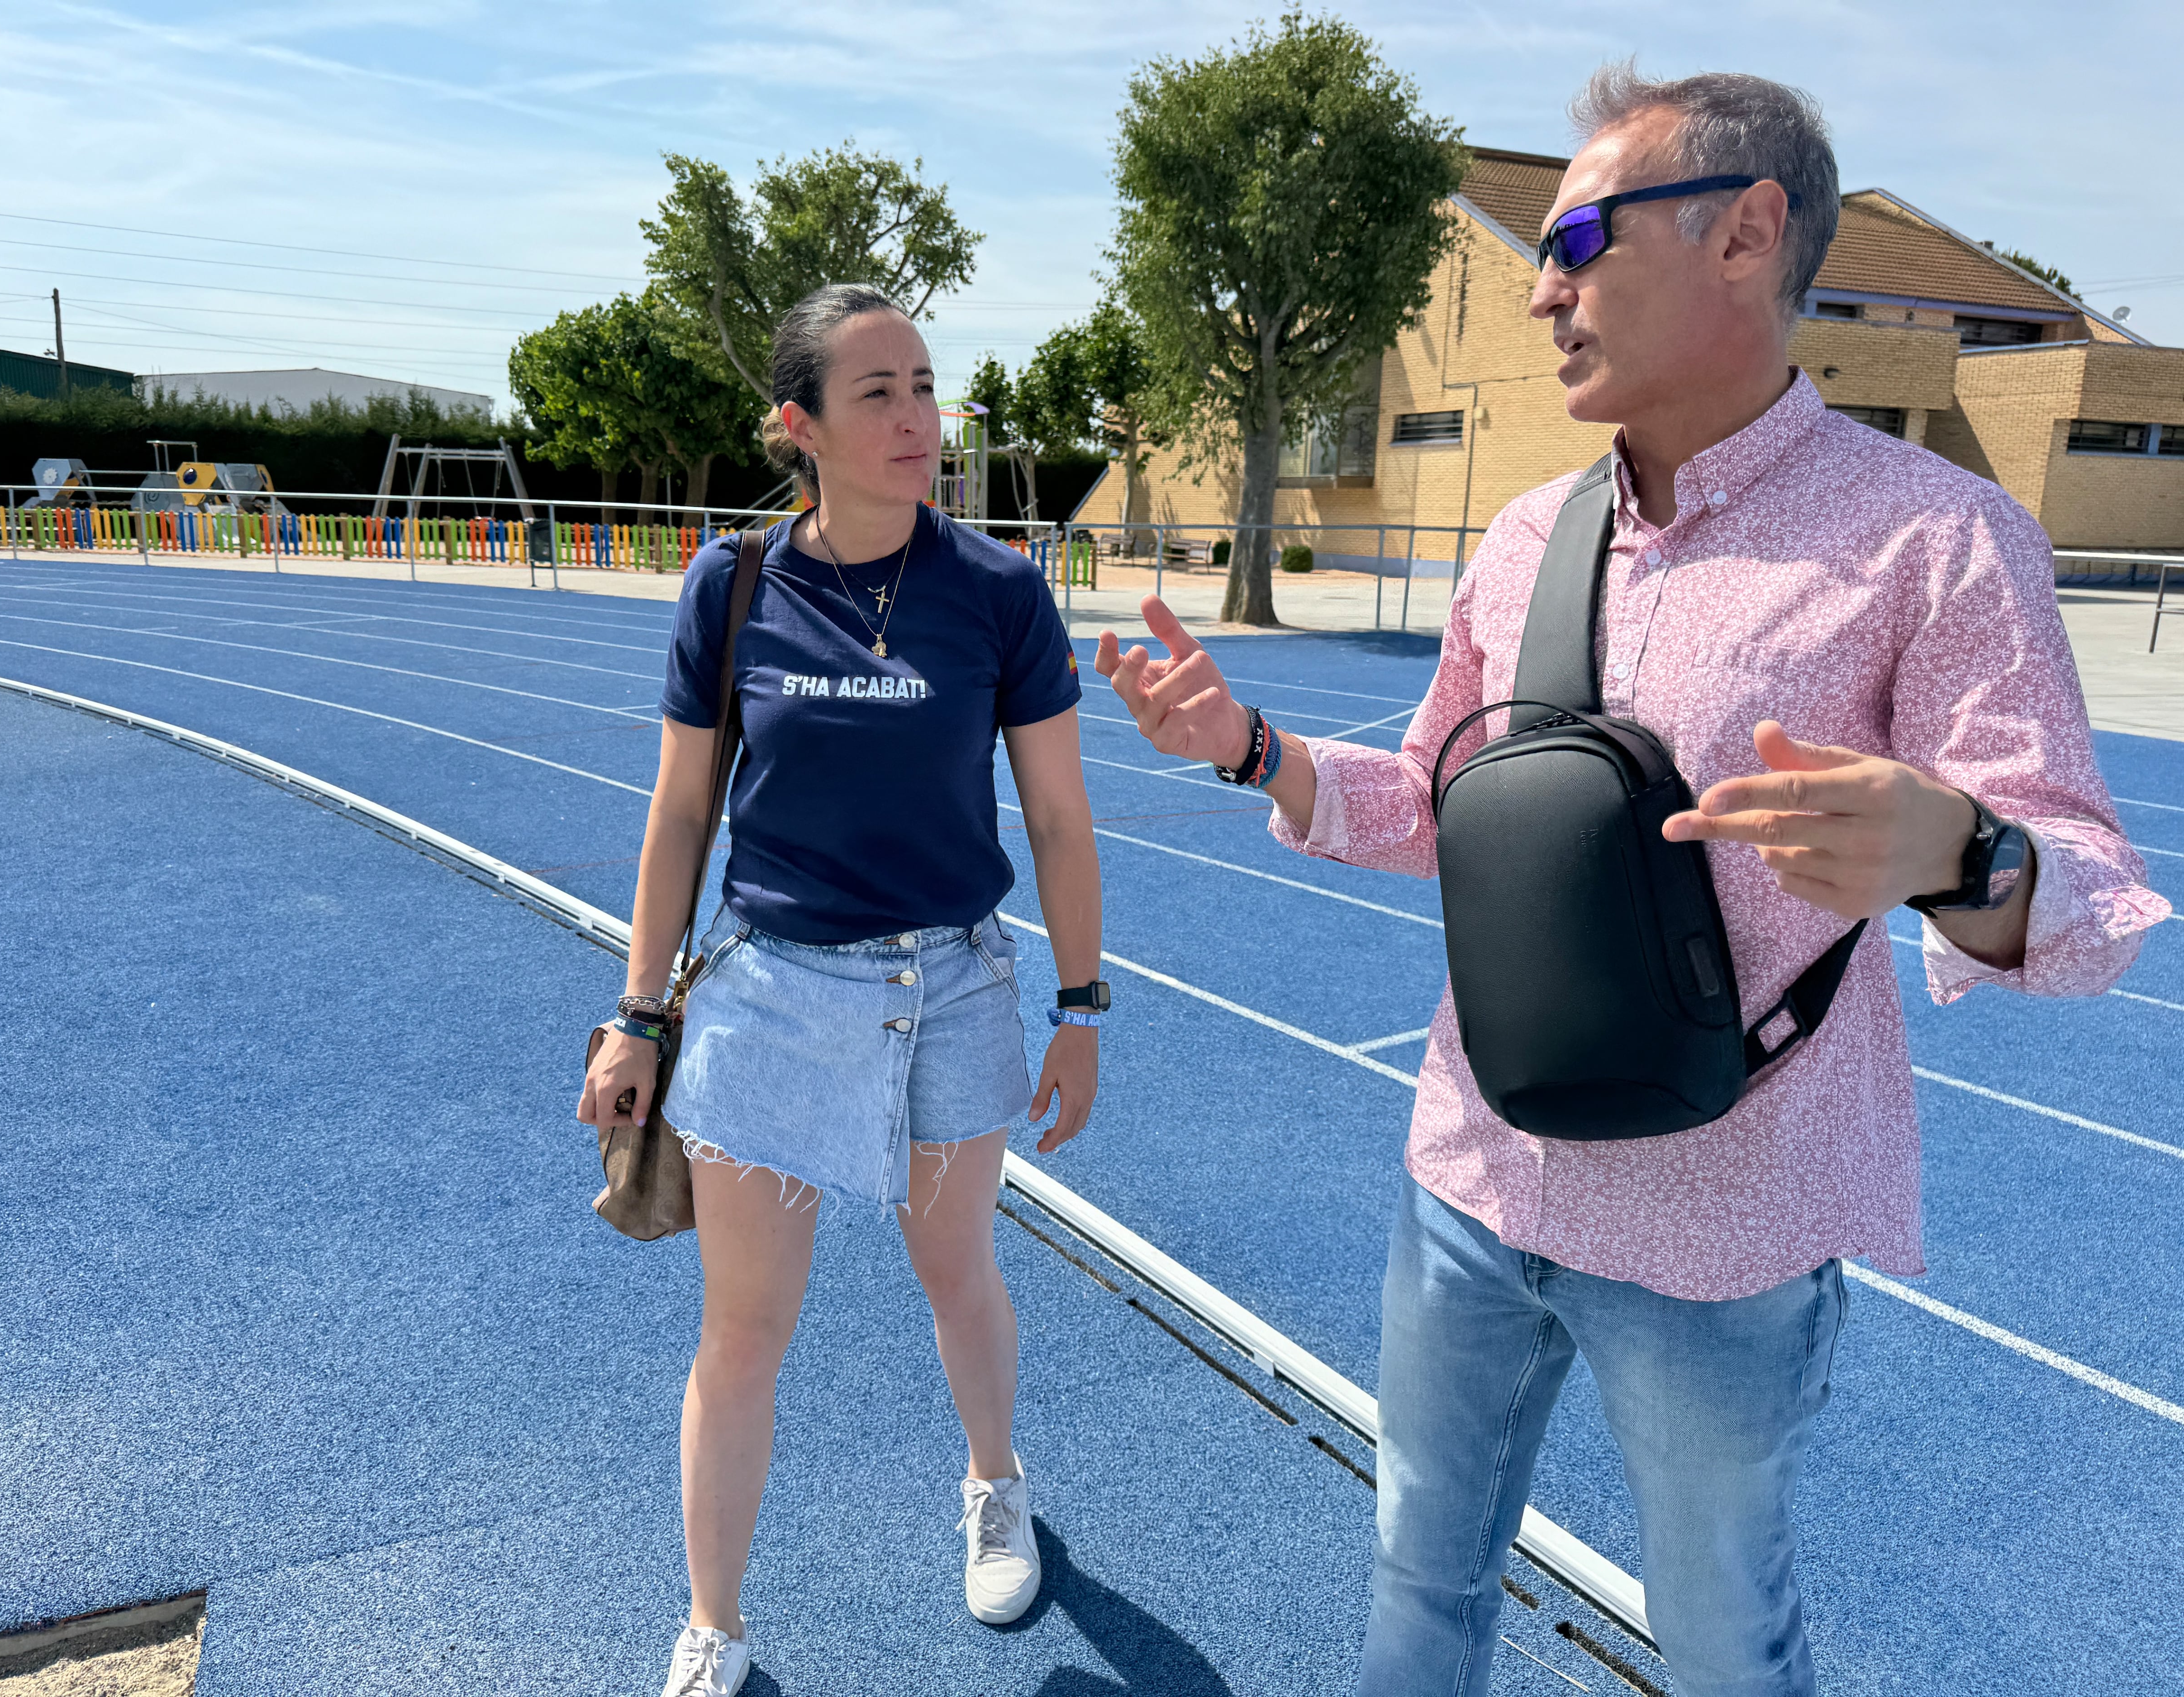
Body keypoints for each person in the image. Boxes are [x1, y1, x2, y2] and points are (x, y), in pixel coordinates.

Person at [1096, 64, 2167, 1697]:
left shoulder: (1935, 542)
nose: (1542, 288)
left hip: (1723, 1237)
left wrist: (1962, 851)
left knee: (1728, 1646)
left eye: (1580, 238)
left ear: (1746, 235)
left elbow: (2091, 900)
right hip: (1472, 1178)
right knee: (1416, 1589)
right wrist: (1251, 748)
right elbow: (1449, 801)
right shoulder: (1527, 537)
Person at [579, 283, 1107, 1697]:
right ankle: (714, 1626)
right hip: (774, 1000)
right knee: (744, 1328)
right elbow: (681, 816)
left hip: (952, 989)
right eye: (876, 393)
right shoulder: (733, 585)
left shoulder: (998, 591)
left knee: (958, 1272)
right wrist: (637, 1012)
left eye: (926, 387)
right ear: (797, 424)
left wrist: (1083, 1007)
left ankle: (996, 1484)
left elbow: (1058, 819)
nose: (917, 420)